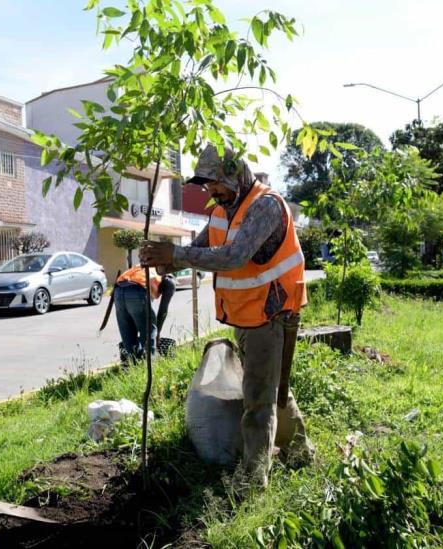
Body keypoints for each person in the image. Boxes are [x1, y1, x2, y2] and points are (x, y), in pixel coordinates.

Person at [140, 143, 314, 487]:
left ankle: (252, 479)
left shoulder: (265, 206)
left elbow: (234, 256)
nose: (211, 190)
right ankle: (300, 452)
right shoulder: (222, 209)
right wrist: (169, 260)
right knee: (272, 390)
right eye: (207, 185)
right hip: (248, 314)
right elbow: (204, 247)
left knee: (258, 399)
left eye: (216, 182)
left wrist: (176, 252)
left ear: (237, 173)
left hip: (272, 312)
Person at [114, 265, 175, 363]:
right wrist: (157, 333)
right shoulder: (169, 282)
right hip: (136, 290)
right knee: (150, 330)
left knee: (128, 336)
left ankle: (134, 366)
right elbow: (163, 310)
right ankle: (149, 365)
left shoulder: (146, 268)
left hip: (118, 291)